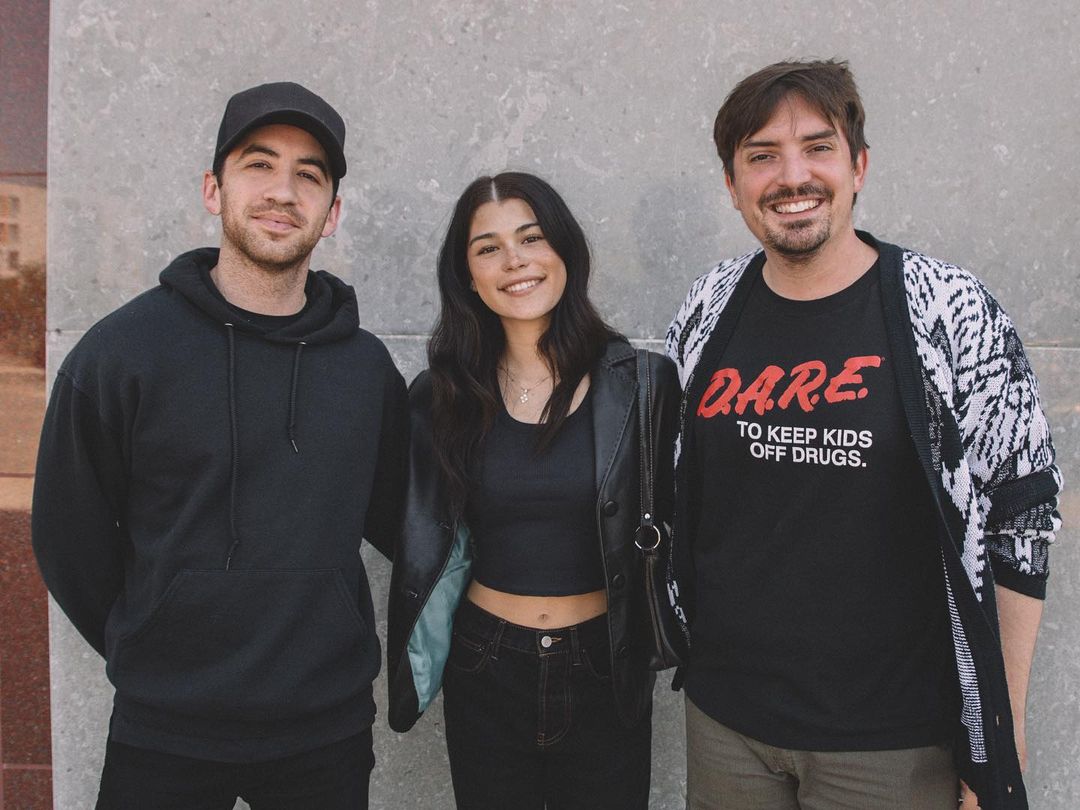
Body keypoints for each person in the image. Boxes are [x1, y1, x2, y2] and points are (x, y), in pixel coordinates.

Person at [666, 60, 1061, 810]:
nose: (793, 176)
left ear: (859, 166)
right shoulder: (710, 304)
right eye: (762, 156)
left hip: (892, 740)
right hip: (726, 720)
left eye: (818, 147)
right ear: (732, 185)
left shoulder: (950, 311)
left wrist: (997, 730)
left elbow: (1023, 516)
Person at [32, 81, 407, 809]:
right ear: (213, 189)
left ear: (332, 214)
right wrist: (151, 636)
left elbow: (402, 519)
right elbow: (67, 533)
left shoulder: (364, 369)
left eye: (308, 175)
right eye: (259, 164)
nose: (283, 191)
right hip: (163, 729)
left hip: (322, 729)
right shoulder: (122, 353)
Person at [386, 171, 679, 809]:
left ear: (564, 251)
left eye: (532, 238)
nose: (514, 261)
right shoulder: (440, 397)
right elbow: (414, 529)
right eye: (487, 247)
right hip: (484, 661)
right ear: (468, 275)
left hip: (606, 663)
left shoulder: (643, 385)